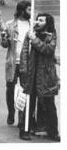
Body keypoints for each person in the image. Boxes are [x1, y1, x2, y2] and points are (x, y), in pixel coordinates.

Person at [19, 13, 60, 141]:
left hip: (46, 76)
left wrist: (35, 40)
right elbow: (24, 52)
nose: (38, 22)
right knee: (29, 104)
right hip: (33, 74)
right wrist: (24, 70)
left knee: (49, 105)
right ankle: (24, 130)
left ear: (47, 23)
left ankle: (52, 131)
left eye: (41, 20)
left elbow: (48, 50)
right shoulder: (30, 33)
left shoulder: (51, 35)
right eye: (37, 19)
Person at [1, 0, 31, 126]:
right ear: (22, 10)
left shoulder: (32, 25)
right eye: (28, 9)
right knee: (10, 89)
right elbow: (4, 45)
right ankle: (11, 112)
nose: (30, 12)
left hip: (27, 62)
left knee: (25, 89)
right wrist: (4, 38)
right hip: (13, 62)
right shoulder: (10, 25)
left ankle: (22, 117)